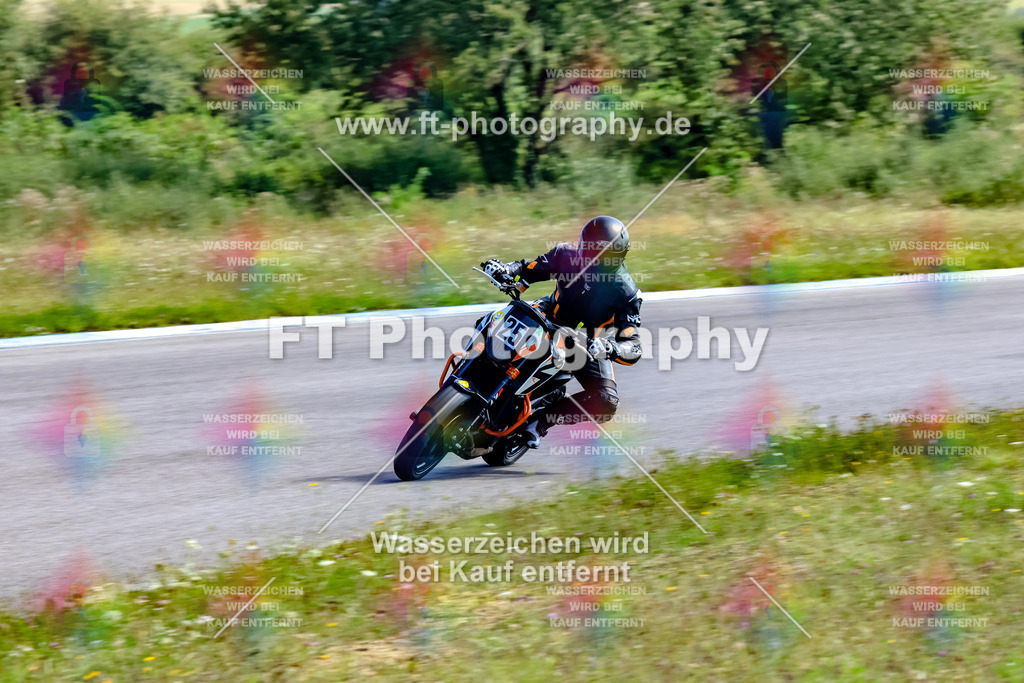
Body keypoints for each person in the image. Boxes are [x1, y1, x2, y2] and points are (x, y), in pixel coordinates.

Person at [481, 216, 643, 448]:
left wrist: (611, 347)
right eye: (590, 253)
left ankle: (541, 422)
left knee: (607, 401)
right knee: (491, 325)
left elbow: (633, 345)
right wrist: (505, 269)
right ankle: (466, 376)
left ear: (618, 258)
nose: (594, 262)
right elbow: (527, 270)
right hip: (545, 315)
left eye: (604, 258)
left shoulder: (626, 293)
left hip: (585, 343)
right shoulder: (565, 255)